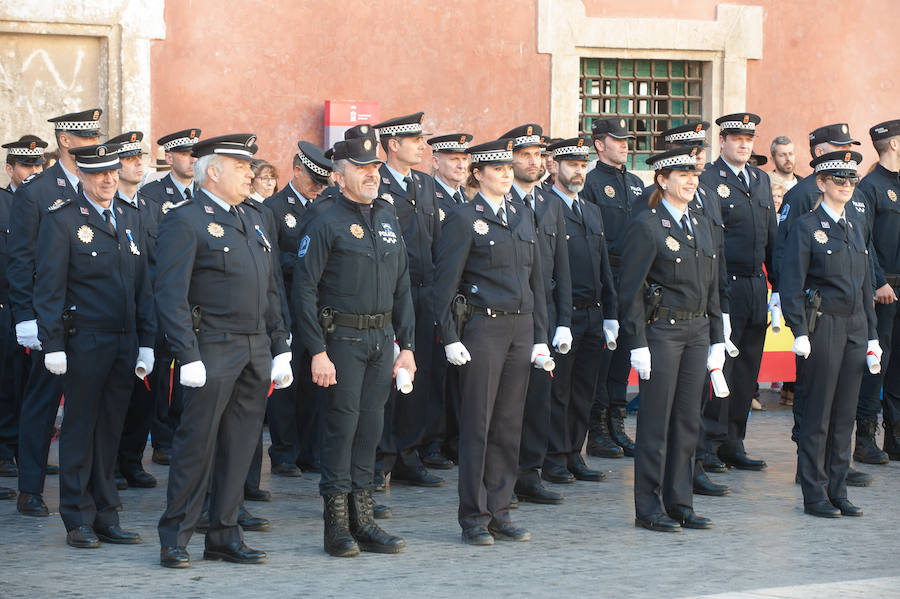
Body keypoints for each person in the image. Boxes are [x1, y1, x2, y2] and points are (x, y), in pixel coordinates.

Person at [156, 134, 292, 568]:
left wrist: (280, 344)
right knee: (197, 444)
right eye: (241, 167)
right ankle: (175, 536)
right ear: (213, 172)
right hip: (212, 346)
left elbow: (270, 289)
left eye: (250, 166)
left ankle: (223, 534)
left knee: (240, 446)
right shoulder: (187, 220)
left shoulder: (253, 219)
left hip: (254, 347)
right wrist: (187, 353)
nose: (251, 173)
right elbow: (170, 295)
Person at [292, 134, 415, 557]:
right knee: (341, 430)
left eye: (376, 167)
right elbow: (304, 289)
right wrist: (317, 351)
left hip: (382, 339)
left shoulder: (386, 214)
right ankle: (337, 527)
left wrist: (408, 345)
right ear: (339, 175)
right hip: (340, 340)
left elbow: (402, 284)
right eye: (362, 168)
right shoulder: (324, 218)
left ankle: (364, 520)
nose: (372, 174)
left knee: (370, 431)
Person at [34, 142, 156, 548]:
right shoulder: (63, 220)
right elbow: (48, 288)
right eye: (99, 173)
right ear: (82, 176)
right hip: (84, 341)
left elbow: (143, 286)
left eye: (112, 172)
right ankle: (77, 518)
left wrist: (146, 341)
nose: (108, 179)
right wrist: (51, 343)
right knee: (80, 430)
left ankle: (106, 513)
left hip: (124, 341)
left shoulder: (127, 217)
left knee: (110, 431)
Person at [433, 138, 548, 545]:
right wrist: (449, 336)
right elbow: (444, 284)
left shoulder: (522, 214)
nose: (505, 174)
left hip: (520, 329)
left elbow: (537, 283)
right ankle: (474, 516)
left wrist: (541, 338)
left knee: (508, 425)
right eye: (496, 169)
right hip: (483, 328)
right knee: (478, 425)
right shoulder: (465, 218)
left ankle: (500, 509)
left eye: (507, 168)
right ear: (478, 174)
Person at [618, 146, 724, 532]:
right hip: (662, 332)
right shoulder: (647, 225)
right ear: (662, 181)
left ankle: (680, 502)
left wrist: (717, 335)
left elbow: (712, 284)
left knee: (687, 421)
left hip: (697, 332)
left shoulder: (701, 220)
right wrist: (638, 342)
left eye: (693, 173)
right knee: (655, 422)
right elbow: (629, 289)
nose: (691, 180)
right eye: (682, 175)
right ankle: (648, 507)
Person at [9, 109, 102, 518]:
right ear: (65, 141)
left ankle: (88, 487)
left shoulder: (96, 184)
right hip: (52, 316)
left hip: (92, 317)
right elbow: (20, 260)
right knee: (42, 403)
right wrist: (26, 316)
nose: (93, 145)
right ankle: (30, 487)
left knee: (89, 405)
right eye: (86, 139)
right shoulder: (37, 191)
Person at [774, 123, 874, 487]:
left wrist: (872, 335)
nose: (845, 184)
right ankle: (814, 488)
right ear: (821, 183)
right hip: (824, 325)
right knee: (818, 412)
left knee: (845, 412)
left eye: (850, 178)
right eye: (837, 178)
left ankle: (837, 486)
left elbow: (864, 284)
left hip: (854, 326)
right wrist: (798, 330)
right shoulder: (806, 226)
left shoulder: (856, 226)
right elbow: (791, 282)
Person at [498, 124, 576, 504]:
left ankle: (530, 472)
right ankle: (501, 478)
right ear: (508, 159)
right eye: (525, 155)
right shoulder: (497, 202)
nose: (534, 162)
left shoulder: (550, 204)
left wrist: (563, 321)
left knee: (539, 399)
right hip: (506, 316)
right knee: (506, 403)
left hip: (542, 318)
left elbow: (561, 268)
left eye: (538, 155)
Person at [698, 113, 776, 472]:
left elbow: (771, 236)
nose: (744, 144)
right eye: (737, 138)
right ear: (723, 141)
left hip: (756, 285)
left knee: (746, 370)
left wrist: (778, 289)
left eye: (749, 139)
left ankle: (734, 441)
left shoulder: (760, 180)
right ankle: (708, 445)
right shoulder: (709, 180)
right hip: (724, 285)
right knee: (721, 368)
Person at [542, 137, 617, 495]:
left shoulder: (591, 210)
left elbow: (604, 267)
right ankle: (553, 456)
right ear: (554, 166)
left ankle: (574, 453)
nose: (579, 170)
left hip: (592, 314)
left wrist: (611, 313)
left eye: (583, 164)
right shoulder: (544, 206)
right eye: (571, 164)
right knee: (559, 390)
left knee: (586, 389)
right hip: (563, 316)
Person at [372, 112, 443, 488]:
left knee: (420, 375)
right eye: (415, 140)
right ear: (394, 145)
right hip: (390, 294)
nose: (421, 146)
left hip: (424, 293)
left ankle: (408, 455)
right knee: (387, 377)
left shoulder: (426, 185)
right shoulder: (375, 183)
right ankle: (381, 459)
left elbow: (434, 242)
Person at [264, 141, 333, 477]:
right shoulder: (274, 208)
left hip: (319, 309)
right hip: (289, 306)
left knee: (314, 383)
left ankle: (311, 450)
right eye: (313, 180)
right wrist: (304, 265)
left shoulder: (328, 207)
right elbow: (271, 261)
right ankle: (284, 452)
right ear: (296, 171)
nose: (318, 187)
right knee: (287, 385)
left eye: (324, 182)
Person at [137, 127, 201, 467]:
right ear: (168, 157)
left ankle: (184, 431)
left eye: (195, 154)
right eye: (185, 154)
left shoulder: (205, 191)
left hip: (199, 297)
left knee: (193, 365)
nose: (192, 160)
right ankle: (161, 439)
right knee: (162, 369)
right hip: (165, 294)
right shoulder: (152, 195)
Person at [104, 131, 162, 490]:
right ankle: (109, 463)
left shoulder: (152, 209)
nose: (139, 164)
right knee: (115, 396)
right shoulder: (110, 209)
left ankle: (131, 460)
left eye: (140, 158)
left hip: (150, 314)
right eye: (130, 159)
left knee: (145, 395)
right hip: (116, 316)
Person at [581, 117, 642, 459]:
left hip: (631, 279)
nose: (624, 145)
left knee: (623, 357)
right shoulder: (590, 183)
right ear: (599, 144)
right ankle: (598, 429)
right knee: (603, 357)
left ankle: (617, 425)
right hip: (606, 277)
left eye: (626, 140)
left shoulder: (634, 183)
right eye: (617, 140)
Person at [0, 135, 48, 481]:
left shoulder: (51, 201)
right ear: (10, 169)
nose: (34, 170)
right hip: (5, 304)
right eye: (26, 165)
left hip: (41, 303)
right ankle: (4, 451)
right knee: (7, 380)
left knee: (36, 383)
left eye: (38, 164)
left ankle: (27, 451)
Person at [427, 132, 474, 467]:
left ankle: (452, 440)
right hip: (439, 295)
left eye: (464, 159)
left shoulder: (464, 201)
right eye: (453, 158)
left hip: (465, 302)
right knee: (435, 374)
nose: (460, 164)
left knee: (458, 376)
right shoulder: (430, 197)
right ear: (435, 161)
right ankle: (431, 442)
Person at [855, 119, 900, 462]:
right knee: (878, 363)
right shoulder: (869, 186)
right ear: (894, 144)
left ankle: (895, 438)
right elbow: (864, 241)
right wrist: (877, 281)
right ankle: (865, 437)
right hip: (885, 289)